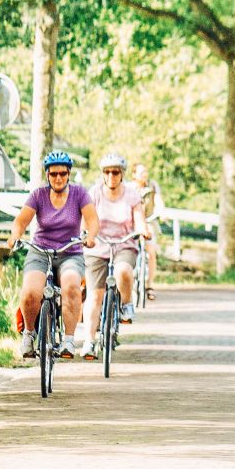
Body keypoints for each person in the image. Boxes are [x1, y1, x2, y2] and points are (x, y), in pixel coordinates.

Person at [7, 151, 99, 360]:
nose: (58, 178)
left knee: (71, 287)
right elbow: (21, 220)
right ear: (47, 174)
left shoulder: (79, 194)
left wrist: (91, 236)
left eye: (63, 174)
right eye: (54, 174)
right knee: (31, 292)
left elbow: (92, 220)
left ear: (69, 174)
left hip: (70, 252)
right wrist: (15, 235)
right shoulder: (38, 195)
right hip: (40, 251)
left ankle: (68, 339)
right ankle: (29, 334)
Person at [81, 154, 150, 359]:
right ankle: (89, 341)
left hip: (123, 244)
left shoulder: (131, 195)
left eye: (116, 172)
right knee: (94, 295)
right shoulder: (94, 193)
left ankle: (126, 304)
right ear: (103, 174)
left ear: (122, 175)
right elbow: (85, 220)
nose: (111, 175)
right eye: (107, 172)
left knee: (123, 271)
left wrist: (143, 230)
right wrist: (85, 235)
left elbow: (139, 219)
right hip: (97, 246)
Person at [131, 162, 165, 300]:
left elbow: (158, 201)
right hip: (132, 222)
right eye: (141, 172)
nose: (144, 175)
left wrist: (162, 212)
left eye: (145, 172)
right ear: (134, 175)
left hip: (149, 221)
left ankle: (149, 285)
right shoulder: (129, 188)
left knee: (151, 251)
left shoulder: (152, 186)